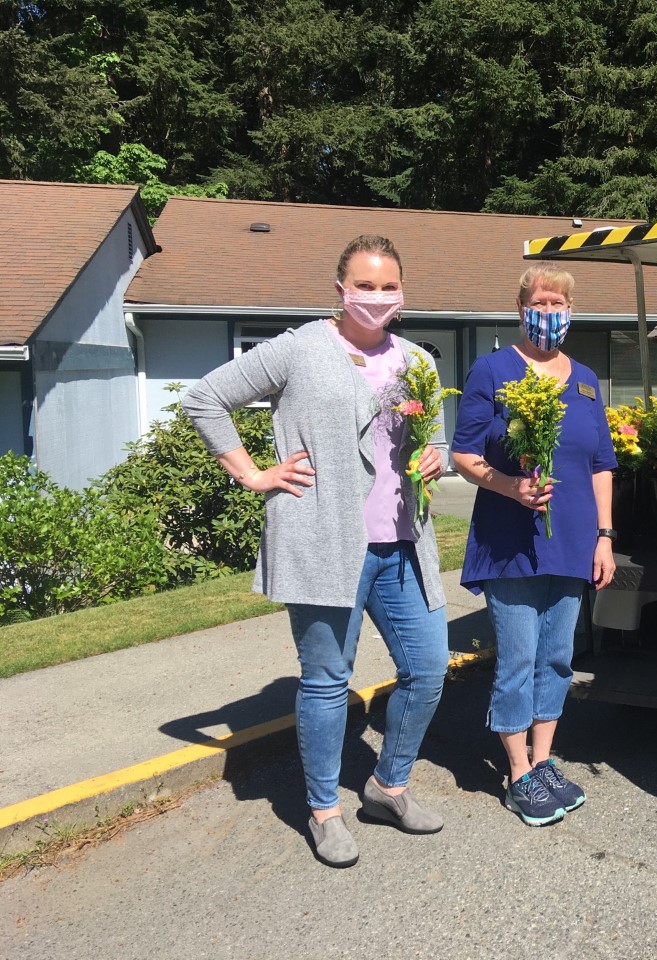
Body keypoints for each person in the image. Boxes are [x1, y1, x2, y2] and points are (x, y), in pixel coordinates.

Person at [183, 235, 451, 868]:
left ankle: (388, 786)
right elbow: (204, 398)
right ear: (340, 289)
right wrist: (253, 473)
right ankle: (325, 811)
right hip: (323, 543)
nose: (378, 297)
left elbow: (431, 431)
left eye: (389, 286)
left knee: (430, 667)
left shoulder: (418, 359)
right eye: (366, 284)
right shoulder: (300, 349)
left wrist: (433, 453)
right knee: (329, 682)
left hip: (403, 544)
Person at [451, 265, 617, 827]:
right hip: (510, 542)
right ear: (521, 306)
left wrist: (605, 536)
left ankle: (544, 760)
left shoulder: (588, 380)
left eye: (559, 301)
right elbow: (464, 454)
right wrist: (510, 486)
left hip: (572, 539)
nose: (550, 310)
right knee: (518, 659)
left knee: (558, 657)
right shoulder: (492, 370)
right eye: (540, 300)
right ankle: (518, 772)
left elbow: (601, 464)